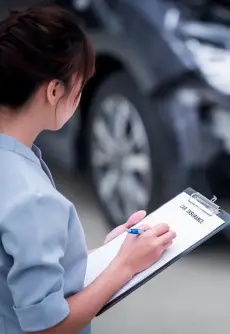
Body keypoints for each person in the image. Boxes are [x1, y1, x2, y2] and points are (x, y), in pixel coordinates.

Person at [0, 6, 177, 334]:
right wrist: (125, 265)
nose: (79, 99)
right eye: (79, 89)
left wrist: (108, 254)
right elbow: (48, 328)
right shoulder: (34, 199)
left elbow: (14, 265)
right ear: (54, 91)